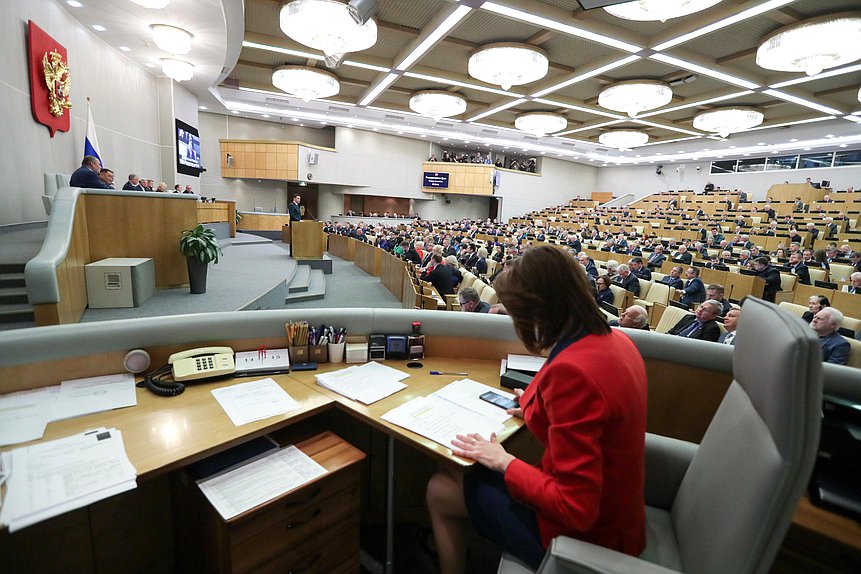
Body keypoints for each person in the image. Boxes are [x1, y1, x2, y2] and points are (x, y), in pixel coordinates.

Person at [426, 246, 647, 573]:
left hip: (587, 538)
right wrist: (533, 404)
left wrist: (504, 461)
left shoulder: (574, 372)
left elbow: (575, 508)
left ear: (536, 314)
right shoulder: (616, 340)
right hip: (621, 517)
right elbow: (572, 404)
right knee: (457, 472)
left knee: (440, 490)